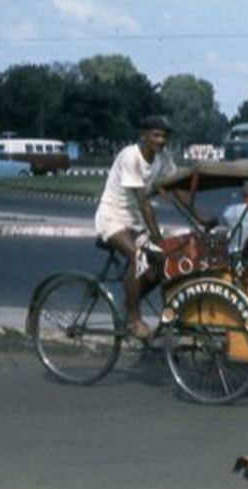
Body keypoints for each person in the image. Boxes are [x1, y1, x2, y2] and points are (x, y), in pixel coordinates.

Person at [93, 115, 177, 340]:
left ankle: (131, 301)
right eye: (156, 135)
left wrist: (200, 216)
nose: (161, 141)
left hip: (134, 222)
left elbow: (178, 186)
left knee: (161, 264)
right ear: (144, 135)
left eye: (164, 136)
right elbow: (143, 201)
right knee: (139, 257)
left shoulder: (162, 159)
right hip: (112, 219)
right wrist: (157, 236)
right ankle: (134, 319)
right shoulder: (131, 156)